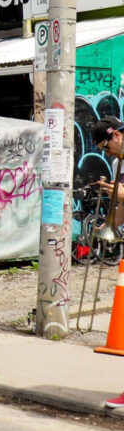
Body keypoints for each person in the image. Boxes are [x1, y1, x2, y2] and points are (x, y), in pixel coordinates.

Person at [91, 119, 124, 412]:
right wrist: (109, 224)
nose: (108, 153)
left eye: (106, 146)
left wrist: (117, 193)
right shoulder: (119, 165)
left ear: (114, 134)